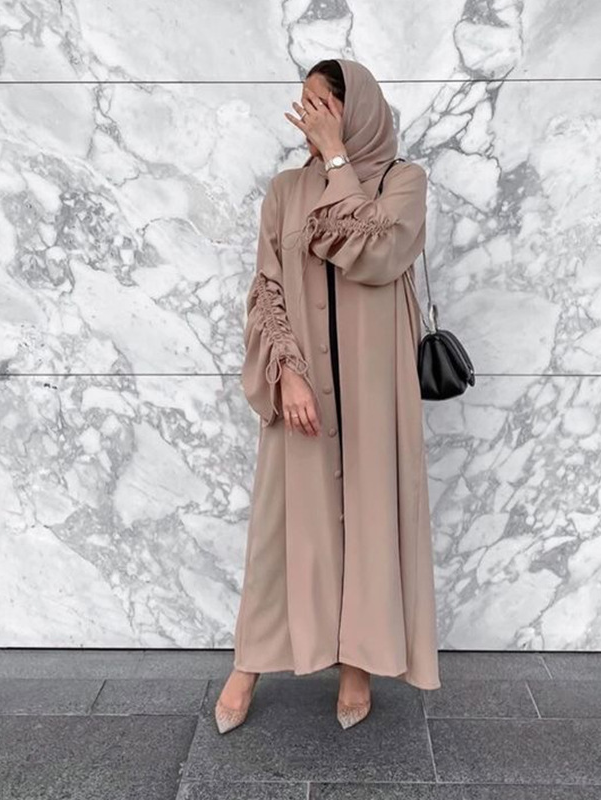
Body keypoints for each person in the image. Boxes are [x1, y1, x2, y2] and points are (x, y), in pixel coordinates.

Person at [215, 57, 440, 734]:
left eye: (320, 105)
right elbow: (267, 285)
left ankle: (357, 664)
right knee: (281, 531)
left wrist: (339, 157)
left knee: (369, 521)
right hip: (304, 388)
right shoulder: (286, 190)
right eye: (303, 104)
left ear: (354, 110)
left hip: (375, 391)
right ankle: (249, 662)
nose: (305, 117)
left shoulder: (403, 182)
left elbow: (378, 251)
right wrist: (286, 372)